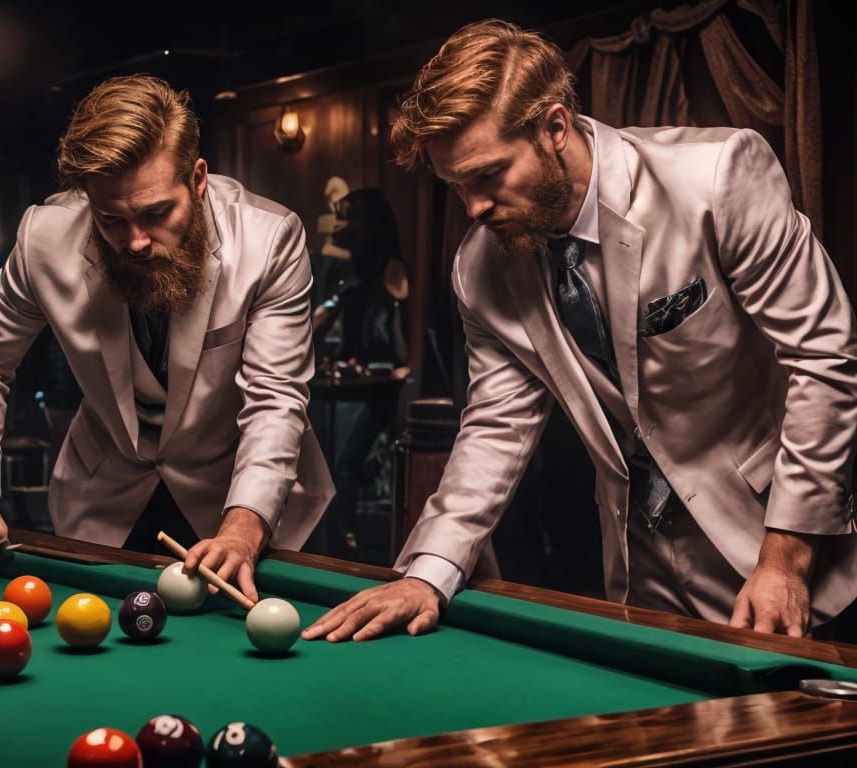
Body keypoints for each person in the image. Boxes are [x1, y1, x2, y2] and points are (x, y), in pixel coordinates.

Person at [304, 20, 857, 643]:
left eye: (487, 175)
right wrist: (427, 573)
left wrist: (786, 558)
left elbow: (824, 358)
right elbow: (496, 425)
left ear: (555, 127)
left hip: (797, 553)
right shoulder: (478, 264)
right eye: (456, 186)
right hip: (643, 571)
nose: (474, 208)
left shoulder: (716, 175)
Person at [0, 75, 334, 601]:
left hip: (237, 501)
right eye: (111, 219)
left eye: (156, 213)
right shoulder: (44, 237)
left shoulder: (268, 241)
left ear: (197, 179)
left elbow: (276, 400)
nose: (136, 241)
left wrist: (243, 527)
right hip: (104, 499)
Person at [312, 188, 413, 555]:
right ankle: (334, 540)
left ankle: (346, 544)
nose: (345, 225)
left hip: (387, 389)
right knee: (334, 463)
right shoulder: (350, 272)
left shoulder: (392, 269)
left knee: (347, 462)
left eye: (352, 217)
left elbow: (403, 347)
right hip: (354, 387)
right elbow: (319, 324)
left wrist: (398, 304)